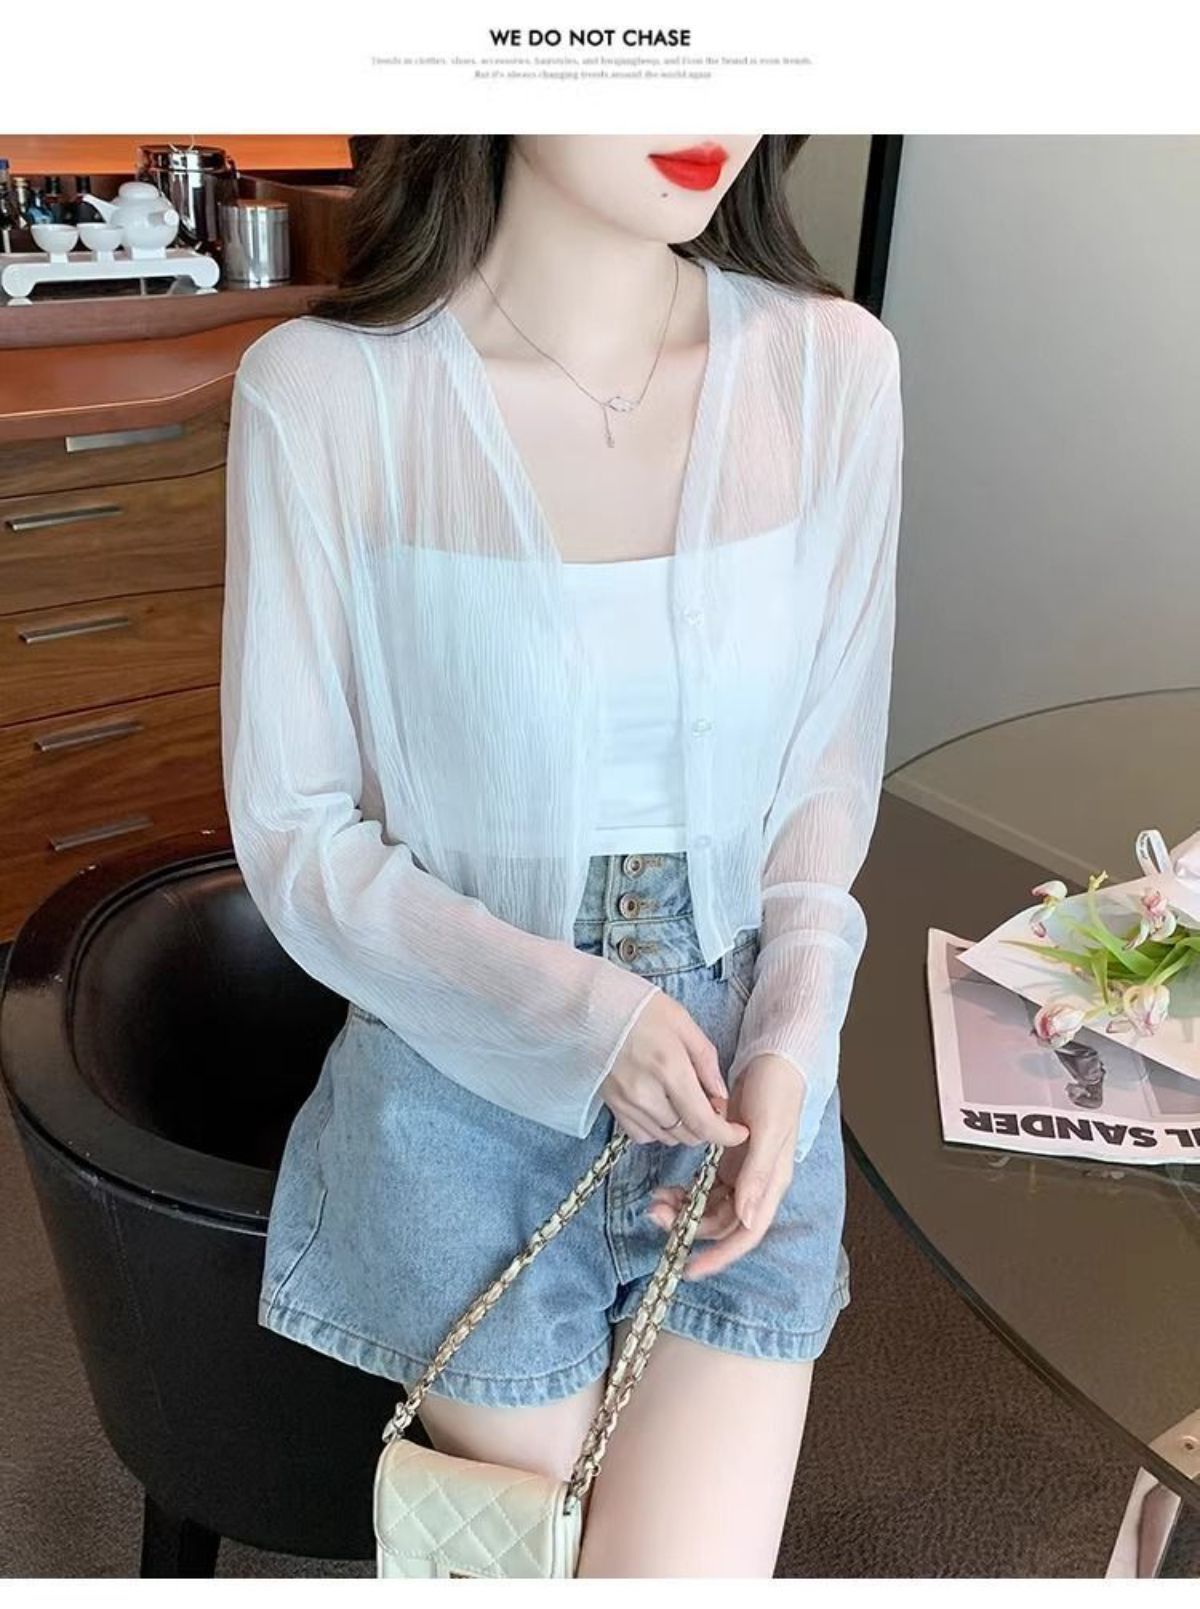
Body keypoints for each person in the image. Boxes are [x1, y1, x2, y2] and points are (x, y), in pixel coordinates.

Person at [220, 134, 904, 1577]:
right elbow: (295, 837)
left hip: (740, 1094)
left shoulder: (831, 367)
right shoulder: (328, 394)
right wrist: (583, 1018)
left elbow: (824, 792)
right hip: (461, 1085)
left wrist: (792, 1042)